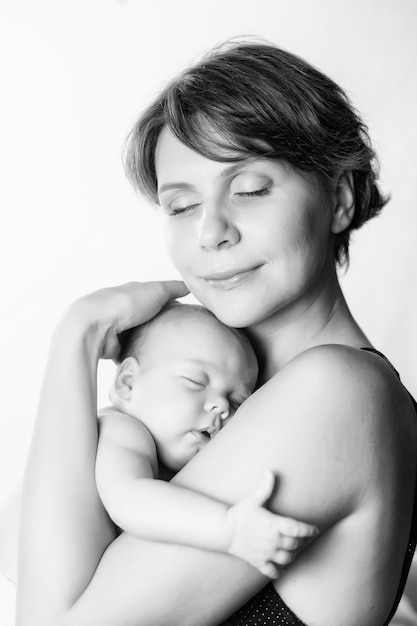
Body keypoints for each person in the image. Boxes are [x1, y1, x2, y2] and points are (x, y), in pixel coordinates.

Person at [16, 40, 417, 626]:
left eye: (250, 189)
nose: (211, 232)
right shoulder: (207, 405)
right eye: (181, 206)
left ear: (340, 199)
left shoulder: (335, 392)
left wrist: (79, 335)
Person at [95, 301, 317, 576]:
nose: (222, 406)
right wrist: (229, 529)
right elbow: (127, 500)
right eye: (196, 382)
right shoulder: (121, 429)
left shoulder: (176, 459)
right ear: (128, 382)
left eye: (237, 401)